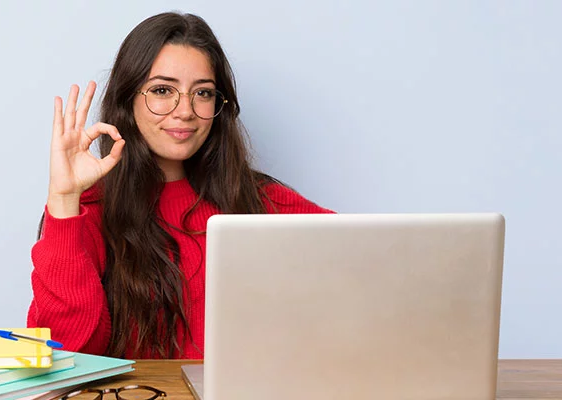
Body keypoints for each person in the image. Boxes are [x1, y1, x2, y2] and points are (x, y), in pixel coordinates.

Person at [27, 11, 334, 359]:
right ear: (128, 100)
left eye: (202, 93)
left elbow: (364, 270)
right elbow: (67, 353)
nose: (185, 110)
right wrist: (64, 199)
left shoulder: (261, 201)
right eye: (162, 90)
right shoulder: (89, 211)